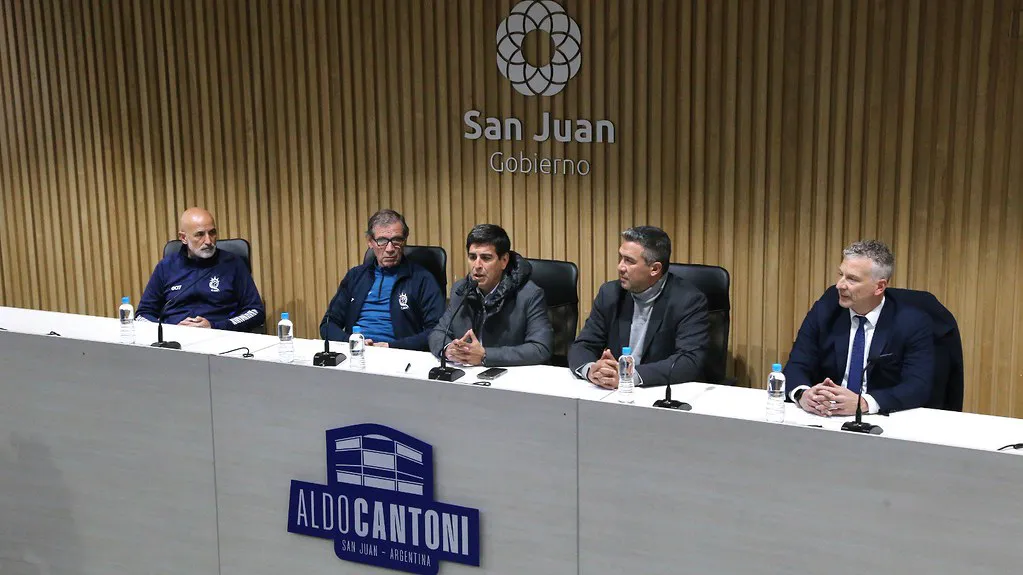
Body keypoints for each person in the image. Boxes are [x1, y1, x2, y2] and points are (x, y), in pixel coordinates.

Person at [785, 240, 935, 415]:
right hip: (826, 415)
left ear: (879, 287)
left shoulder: (911, 322)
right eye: (841, 274)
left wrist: (864, 403)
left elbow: (918, 386)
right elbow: (796, 364)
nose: (840, 285)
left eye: (852, 279)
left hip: (882, 420)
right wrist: (803, 394)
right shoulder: (825, 311)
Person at [569, 226, 709, 388]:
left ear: (655, 269)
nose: (620, 267)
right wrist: (591, 370)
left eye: (629, 261)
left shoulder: (688, 300)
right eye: (620, 258)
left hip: (658, 392)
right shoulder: (610, 294)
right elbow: (583, 345)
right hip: (610, 392)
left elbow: (689, 361)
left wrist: (628, 376)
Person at [428, 224, 553, 367]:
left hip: (507, 377)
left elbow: (541, 348)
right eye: (472, 257)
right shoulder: (461, 290)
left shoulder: (529, 295)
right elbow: (438, 333)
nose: (477, 265)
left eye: (486, 258)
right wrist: (448, 349)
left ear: (504, 261)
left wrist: (485, 355)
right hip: (467, 376)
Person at [320, 209, 444, 350]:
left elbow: (437, 332)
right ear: (370, 242)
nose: (390, 248)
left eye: (397, 240)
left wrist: (391, 346)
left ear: (405, 240)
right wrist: (350, 341)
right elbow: (328, 325)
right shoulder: (355, 277)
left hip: (399, 356)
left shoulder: (422, 279)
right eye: (382, 241)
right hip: (356, 352)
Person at [137, 207, 265, 331]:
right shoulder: (166, 266)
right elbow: (142, 314)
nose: (208, 241)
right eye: (200, 235)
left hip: (219, 339)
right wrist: (170, 331)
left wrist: (215, 327)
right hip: (173, 342)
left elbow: (255, 312)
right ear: (183, 238)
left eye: (212, 233)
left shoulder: (233, 264)